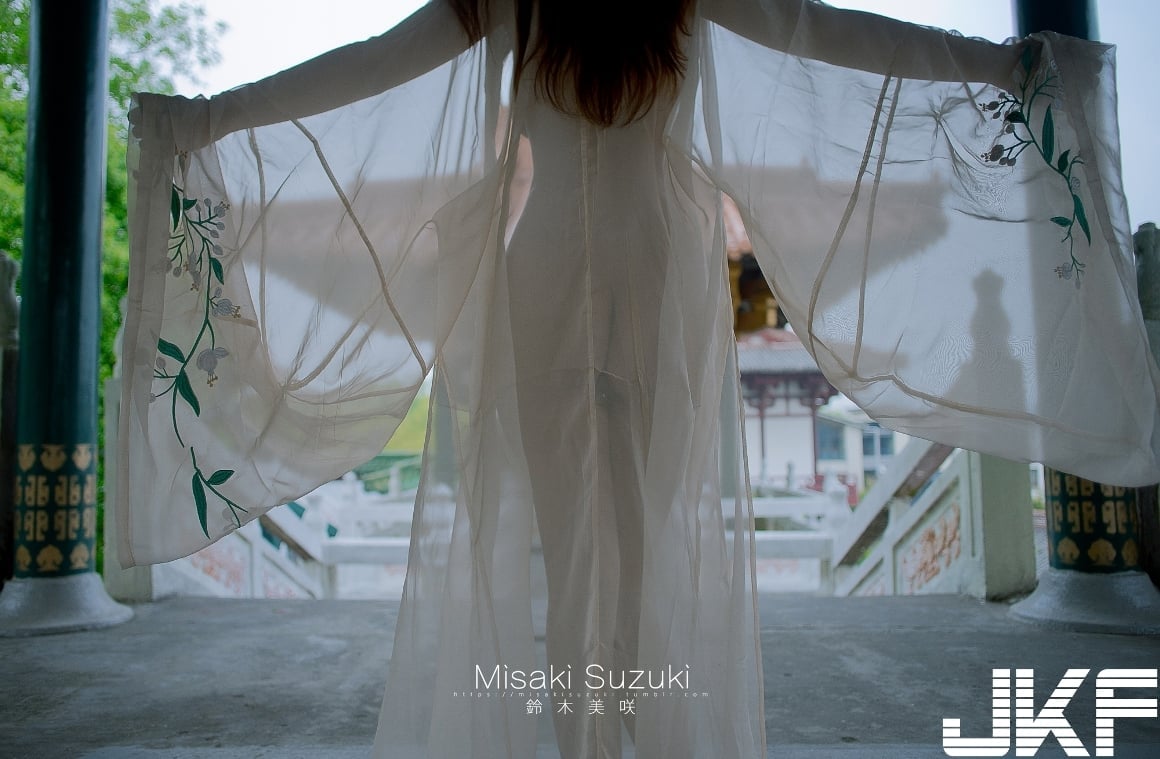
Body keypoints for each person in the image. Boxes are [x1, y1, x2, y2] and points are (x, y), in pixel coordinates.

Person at [119, 1, 1160, 757]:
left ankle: (592, 742)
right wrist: (998, 67)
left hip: (546, 277)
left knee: (573, 546)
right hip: (655, 278)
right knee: (640, 543)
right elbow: (831, 36)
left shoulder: (514, 5)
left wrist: (210, 119)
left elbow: (365, 68)